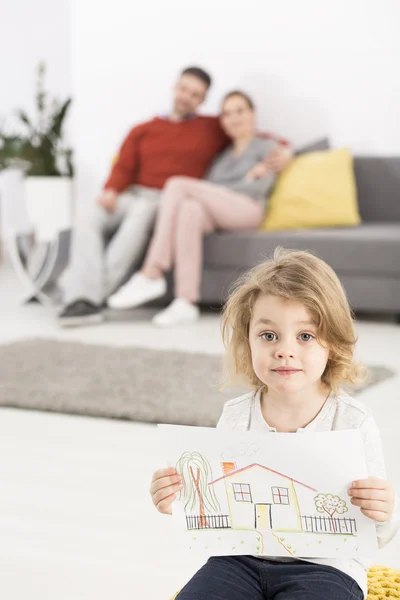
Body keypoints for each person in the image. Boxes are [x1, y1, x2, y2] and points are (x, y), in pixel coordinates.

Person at [149, 248, 399, 600]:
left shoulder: (353, 421)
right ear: (247, 340)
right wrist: (175, 498)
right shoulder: (236, 415)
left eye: (305, 336)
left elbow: (378, 532)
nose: (284, 350)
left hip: (326, 567)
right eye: (268, 336)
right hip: (238, 560)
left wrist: (384, 511)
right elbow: (215, 500)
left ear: (333, 343)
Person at [58, 67, 292, 327]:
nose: (186, 97)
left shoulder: (222, 132)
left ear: (202, 100)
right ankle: (185, 301)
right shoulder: (156, 133)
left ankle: (136, 279)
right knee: (181, 210)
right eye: (184, 89)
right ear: (175, 88)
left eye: (195, 94)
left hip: (181, 200)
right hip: (140, 194)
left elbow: (264, 150)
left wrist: (287, 151)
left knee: (171, 190)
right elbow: (124, 165)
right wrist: (111, 189)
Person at [107, 91, 280, 326]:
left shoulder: (266, 146)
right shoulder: (222, 157)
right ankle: (185, 302)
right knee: (190, 209)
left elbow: (258, 188)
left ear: (252, 114)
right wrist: (243, 180)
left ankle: (152, 271)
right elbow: (212, 190)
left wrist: (233, 186)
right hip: (221, 210)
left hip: (248, 209)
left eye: (240, 111)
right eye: (227, 114)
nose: (234, 118)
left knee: (177, 184)